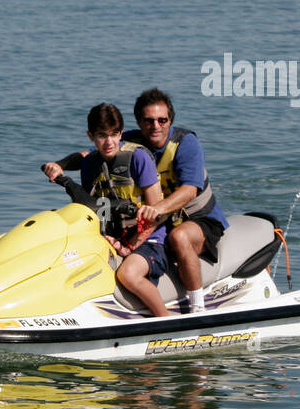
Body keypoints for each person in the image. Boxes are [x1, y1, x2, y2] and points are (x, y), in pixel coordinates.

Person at [50, 88, 228, 314]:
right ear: (139, 122)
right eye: (149, 120)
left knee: (179, 237)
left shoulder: (184, 143)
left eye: (162, 120)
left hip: (196, 218)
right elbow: (90, 155)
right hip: (154, 221)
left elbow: (190, 190)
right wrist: (60, 165)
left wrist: (154, 210)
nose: (155, 126)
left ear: (169, 120)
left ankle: (197, 307)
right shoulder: (128, 140)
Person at [41, 103, 173, 318]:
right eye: (102, 135)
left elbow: (157, 214)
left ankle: (165, 321)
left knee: (128, 275)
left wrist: (129, 246)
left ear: (121, 133)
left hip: (149, 241)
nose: (109, 142)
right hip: (111, 239)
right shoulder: (90, 164)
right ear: (91, 136)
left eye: (114, 134)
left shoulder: (138, 158)